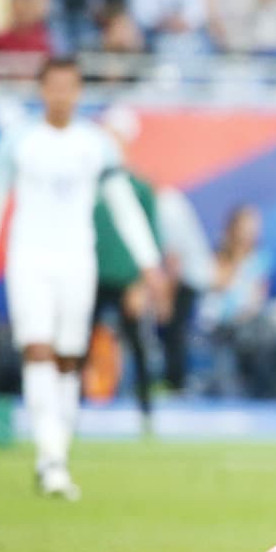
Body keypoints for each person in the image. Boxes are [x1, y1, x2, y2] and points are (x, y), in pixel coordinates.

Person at [0, 58, 163, 499]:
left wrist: (148, 261)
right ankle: (50, 460)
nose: (61, 95)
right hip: (29, 259)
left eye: (69, 87)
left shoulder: (96, 144)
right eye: (53, 86)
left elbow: (122, 202)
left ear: (79, 91)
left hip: (77, 262)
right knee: (38, 350)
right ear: (41, 90)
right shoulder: (18, 142)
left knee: (68, 359)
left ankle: (57, 453)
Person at [90, 106, 166, 423]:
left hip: (126, 279)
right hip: (91, 275)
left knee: (137, 345)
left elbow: (150, 237)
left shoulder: (140, 189)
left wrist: (140, 284)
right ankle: (71, 411)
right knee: (76, 344)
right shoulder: (88, 186)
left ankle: (146, 412)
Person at [197, 205, 269, 397]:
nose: (251, 233)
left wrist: (248, 313)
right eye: (246, 227)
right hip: (219, 324)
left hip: (246, 325)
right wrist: (236, 255)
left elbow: (258, 298)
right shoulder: (220, 255)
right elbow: (218, 284)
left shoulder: (259, 260)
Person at [154, 185, 213, 392]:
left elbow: (173, 258)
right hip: (193, 273)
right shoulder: (171, 201)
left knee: (174, 329)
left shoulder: (164, 208)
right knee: (176, 330)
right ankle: (175, 380)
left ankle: (175, 383)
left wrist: (166, 299)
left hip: (188, 276)